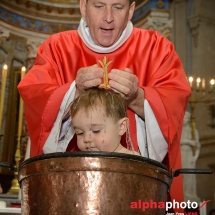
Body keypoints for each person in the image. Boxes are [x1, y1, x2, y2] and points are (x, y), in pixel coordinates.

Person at [17, 0, 191, 210]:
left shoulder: (157, 48)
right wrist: (73, 91)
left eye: (118, 7)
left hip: (136, 191)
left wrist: (138, 98)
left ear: (131, 10)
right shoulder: (56, 48)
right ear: (83, 7)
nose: (108, 17)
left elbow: (175, 98)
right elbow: (35, 97)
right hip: (68, 191)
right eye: (99, 6)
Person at [70, 87, 140, 155]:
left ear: (121, 127)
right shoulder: (79, 161)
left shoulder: (132, 161)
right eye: (80, 133)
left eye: (96, 131)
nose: (86, 139)